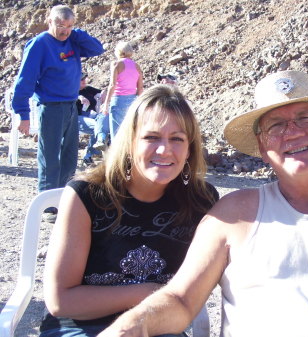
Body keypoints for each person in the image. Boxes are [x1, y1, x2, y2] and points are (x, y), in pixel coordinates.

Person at [98, 71, 308, 337]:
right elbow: (181, 299)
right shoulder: (233, 216)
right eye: (276, 125)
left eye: (306, 118)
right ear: (262, 148)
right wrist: (134, 323)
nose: (292, 133)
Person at [40, 85, 219, 337]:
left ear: (189, 149)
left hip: (158, 326)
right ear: (130, 141)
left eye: (177, 139)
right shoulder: (86, 195)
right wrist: (150, 292)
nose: (164, 149)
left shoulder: (202, 201)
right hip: (79, 327)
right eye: (151, 137)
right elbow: (61, 301)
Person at [11, 5, 104, 221]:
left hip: (71, 106)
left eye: (69, 26)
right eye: (61, 25)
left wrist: (77, 33)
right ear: (49, 21)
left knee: (70, 157)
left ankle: (65, 199)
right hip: (50, 107)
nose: (65, 31)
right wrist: (22, 114)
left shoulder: (73, 39)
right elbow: (24, 81)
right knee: (50, 157)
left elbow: (97, 49)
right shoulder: (40, 44)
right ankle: (47, 205)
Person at [102, 40, 143, 141]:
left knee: (116, 133)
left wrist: (106, 103)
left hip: (118, 100)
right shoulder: (137, 66)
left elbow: (112, 85)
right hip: (133, 100)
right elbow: (140, 88)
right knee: (130, 132)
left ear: (119, 52)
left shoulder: (116, 64)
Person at [77, 73, 109, 166]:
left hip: (92, 115)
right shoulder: (71, 90)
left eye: (84, 79)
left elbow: (102, 91)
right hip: (77, 118)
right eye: (81, 79)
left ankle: (93, 153)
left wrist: (104, 93)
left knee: (104, 120)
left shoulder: (88, 89)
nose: (84, 81)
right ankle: (89, 155)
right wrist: (79, 97)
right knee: (97, 127)